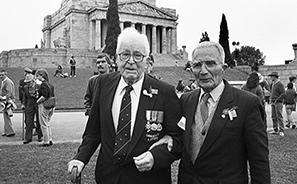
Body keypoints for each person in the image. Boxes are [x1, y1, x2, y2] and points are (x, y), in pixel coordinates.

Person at [67, 27, 182, 184]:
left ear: (147, 61)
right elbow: (93, 132)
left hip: (148, 179)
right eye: (125, 54)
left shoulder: (165, 92)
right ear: (116, 58)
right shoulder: (102, 84)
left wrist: (156, 157)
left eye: (138, 55)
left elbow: (178, 139)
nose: (131, 61)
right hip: (108, 177)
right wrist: (80, 159)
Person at [152, 41, 271, 183]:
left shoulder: (247, 103)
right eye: (197, 65)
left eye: (210, 64)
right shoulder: (185, 100)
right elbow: (180, 139)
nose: (203, 71)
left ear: (224, 67)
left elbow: (259, 162)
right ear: (191, 70)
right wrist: (169, 138)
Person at [35, 69, 55, 146]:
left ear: (41, 76)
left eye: (37, 76)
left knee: (43, 123)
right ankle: (50, 139)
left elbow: (44, 96)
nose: (36, 77)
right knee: (47, 123)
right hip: (51, 105)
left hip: (45, 105)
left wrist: (37, 101)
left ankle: (46, 141)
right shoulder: (50, 85)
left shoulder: (43, 85)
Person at [23, 74, 43, 144]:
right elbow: (25, 97)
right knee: (29, 121)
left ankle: (40, 136)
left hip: (37, 104)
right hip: (30, 105)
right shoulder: (25, 88)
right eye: (27, 82)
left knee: (39, 120)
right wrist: (23, 104)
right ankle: (28, 138)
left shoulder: (38, 86)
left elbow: (41, 95)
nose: (28, 84)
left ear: (33, 81)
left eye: (29, 82)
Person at [268, 71, 285, 136]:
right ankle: (275, 129)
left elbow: (283, 93)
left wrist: (277, 100)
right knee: (273, 116)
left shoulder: (280, 84)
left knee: (279, 116)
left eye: (272, 76)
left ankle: (281, 130)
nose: (271, 77)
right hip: (273, 102)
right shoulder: (273, 84)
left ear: (275, 77)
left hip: (278, 102)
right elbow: (272, 93)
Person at [0, 70, 17, 137]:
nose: (1, 76)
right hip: (6, 100)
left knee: (7, 116)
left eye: (2, 75)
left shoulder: (7, 82)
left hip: (8, 101)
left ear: (6, 75)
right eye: (0, 75)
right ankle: (7, 131)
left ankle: (10, 132)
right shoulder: (4, 81)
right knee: (5, 116)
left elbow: (9, 92)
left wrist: (4, 98)